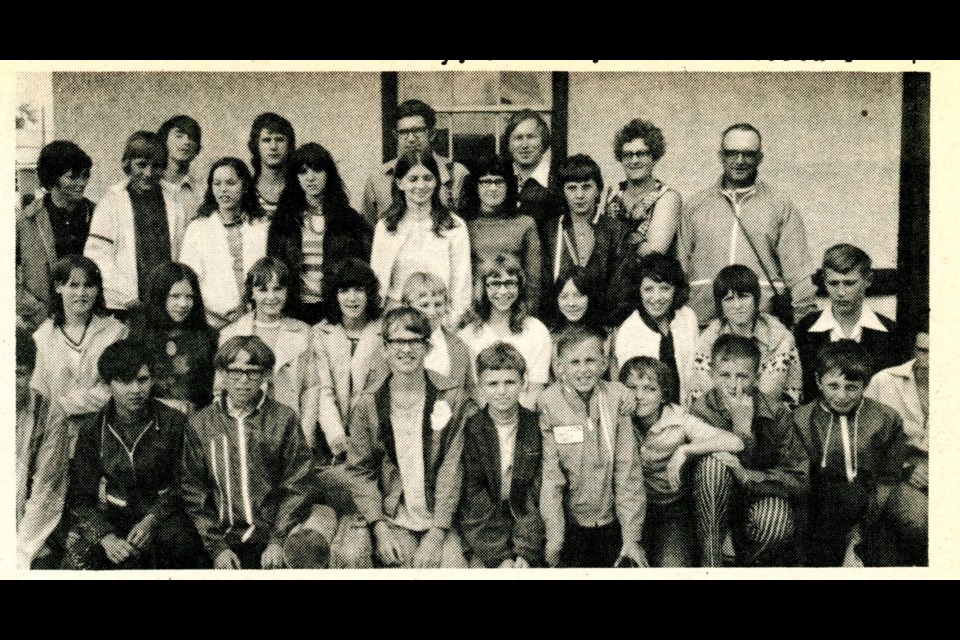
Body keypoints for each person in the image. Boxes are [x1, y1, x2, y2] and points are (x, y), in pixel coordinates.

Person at [337, 308, 470, 568]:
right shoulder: (369, 403)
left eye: (414, 341)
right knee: (404, 564)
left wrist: (437, 532)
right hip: (394, 516)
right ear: (385, 348)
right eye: (397, 342)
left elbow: (453, 467)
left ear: (427, 347)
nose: (406, 350)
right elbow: (360, 469)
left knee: (452, 567)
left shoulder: (451, 396)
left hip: (440, 517)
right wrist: (379, 527)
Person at [181, 335, 321, 569]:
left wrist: (277, 540)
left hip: (271, 538)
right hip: (221, 540)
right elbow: (193, 489)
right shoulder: (201, 423)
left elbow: (299, 483)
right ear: (222, 375)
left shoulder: (283, 419)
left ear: (266, 375)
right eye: (235, 372)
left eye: (253, 372)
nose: (243, 381)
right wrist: (217, 548)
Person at [64, 340, 207, 569]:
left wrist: (152, 520)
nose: (136, 390)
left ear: (152, 380)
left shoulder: (173, 422)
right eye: (124, 381)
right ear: (108, 384)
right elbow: (81, 498)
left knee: (181, 544)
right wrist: (106, 538)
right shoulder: (92, 429)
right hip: (114, 518)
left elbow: (186, 484)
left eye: (142, 380)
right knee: (78, 559)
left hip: (165, 515)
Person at [792, 340, 919, 567]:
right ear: (818, 381)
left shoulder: (886, 418)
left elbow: (888, 476)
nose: (841, 396)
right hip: (822, 507)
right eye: (833, 386)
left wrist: (861, 529)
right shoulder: (801, 419)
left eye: (851, 387)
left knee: (905, 536)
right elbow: (801, 479)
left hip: (874, 501)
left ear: (865, 384)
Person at [677, 123, 817, 327]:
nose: (740, 161)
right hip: (703, 322)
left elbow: (799, 273)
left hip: (763, 324)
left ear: (760, 158)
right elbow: (679, 267)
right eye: (732, 153)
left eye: (748, 154)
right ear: (721, 156)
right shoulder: (695, 205)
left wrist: (803, 326)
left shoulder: (780, 205)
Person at [690, 335, 809, 567]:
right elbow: (693, 475)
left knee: (776, 523)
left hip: (758, 495)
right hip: (712, 504)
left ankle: (744, 566)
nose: (733, 385)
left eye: (742, 376)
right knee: (713, 465)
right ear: (712, 375)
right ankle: (712, 565)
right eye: (725, 375)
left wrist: (746, 475)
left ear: (756, 377)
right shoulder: (701, 410)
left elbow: (799, 478)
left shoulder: (776, 413)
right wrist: (740, 432)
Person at [619, 356, 744, 567]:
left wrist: (686, 449)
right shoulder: (617, 416)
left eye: (650, 389)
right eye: (632, 388)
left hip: (670, 509)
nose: (639, 396)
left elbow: (735, 442)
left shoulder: (678, 419)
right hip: (627, 509)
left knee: (672, 567)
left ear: (663, 395)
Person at [540, 326, 647, 568]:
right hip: (571, 524)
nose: (583, 369)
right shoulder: (548, 403)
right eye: (574, 362)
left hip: (614, 522)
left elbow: (627, 471)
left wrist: (631, 536)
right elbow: (551, 477)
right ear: (560, 367)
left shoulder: (616, 399)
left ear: (604, 363)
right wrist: (555, 538)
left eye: (590, 361)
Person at [457, 343, 545, 568]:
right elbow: (473, 496)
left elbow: (536, 493)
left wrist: (525, 551)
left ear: (523, 383)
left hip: (528, 525)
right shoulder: (472, 429)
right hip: (483, 529)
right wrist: (501, 556)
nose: (501, 391)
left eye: (510, 382)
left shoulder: (535, 427)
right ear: (480, 387)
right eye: (493, 384)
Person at [84, 131, 189, 314]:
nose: (148, 173)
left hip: (167, 306)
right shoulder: (111, 204)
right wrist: (129, 298)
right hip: (124, 306)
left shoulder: (175, 205)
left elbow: (182, 256)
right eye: (141, 165)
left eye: (156, 166)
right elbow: (98, 257)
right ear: (128, 164)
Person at [31, 255, 129, 452]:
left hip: (105, 437)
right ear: (59, 287)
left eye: (89, 285)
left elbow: (118, 388)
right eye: (73, 285)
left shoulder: (115, 332)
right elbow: (38, 394)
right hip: (55, 440)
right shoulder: (43, 336)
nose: (82, 293)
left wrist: (68, 404)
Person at [268, 143, 373, 325]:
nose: (310, 178)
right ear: (295, 178)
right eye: (303, 172)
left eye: (317, 170)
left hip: (336, 312)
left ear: (328, 174)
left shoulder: (350, 219)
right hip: (294, 312)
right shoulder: (284, 221)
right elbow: (274, 267)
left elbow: (362, 268)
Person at [218, 258, 315, 450]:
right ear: (251, 293)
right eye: (262, 290)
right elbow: (220, 389)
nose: (271, 297)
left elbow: (310, 387)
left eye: (278, 289)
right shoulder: (231, 333)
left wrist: (305, 434)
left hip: (289, 431)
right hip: (245, 431)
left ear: (287, 291)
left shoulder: (303, 332)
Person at [370, 150, 472, 324]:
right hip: (397, 317)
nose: (421, 185)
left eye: (428, 178)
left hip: (439, 317)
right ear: (400, 183)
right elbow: (378, 281)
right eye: (413, 179)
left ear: (436, 181)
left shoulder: (454, 227)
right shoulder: (386, 227)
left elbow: (461, 284)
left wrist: (453, 323)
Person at [795, 244, 904, 401]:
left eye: (849, 283)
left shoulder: (891, 333)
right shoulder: (806, 329)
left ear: (868, 280)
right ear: (824, 282)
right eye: (833, 283)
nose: (841, 292)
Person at [690, 265, 803, 407]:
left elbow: (774, 393)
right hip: (717, 421)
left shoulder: (779, 338)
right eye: (729, 299)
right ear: (720, 305)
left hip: (770, 419)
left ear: (756, 299)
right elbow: (706, 393)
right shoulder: (708, 341)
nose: (737, 306)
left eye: (744, 297)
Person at [864, 326, 928, 566]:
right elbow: (863, 440)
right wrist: (906, 467)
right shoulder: (884, 381)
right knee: (923, 522)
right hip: (898, 473)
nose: (930, 361)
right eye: (923, 351)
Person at [311, 257, 387, 461]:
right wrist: (336, 436)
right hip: (334, 441)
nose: (352, 298)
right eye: (344, 291)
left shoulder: (385, 330)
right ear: (333, 295)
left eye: (359, 290)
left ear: (369, 293)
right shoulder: (320, 333)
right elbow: (323, 390)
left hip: (377, 437)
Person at [179, 157, 268, 329]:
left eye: (230, 183)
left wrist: (248, 309)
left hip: (255, 319)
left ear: (244, 187)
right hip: (210, 322)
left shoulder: (261, 227)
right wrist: (213, 312)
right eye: (217, 184)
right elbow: (188, 279)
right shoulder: (197, 229)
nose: (223, 190)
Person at [17, 140, 95, 332]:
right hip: (44, 323)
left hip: (92, 321)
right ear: (53, 178)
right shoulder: (26, 220)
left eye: (85, 176)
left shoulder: (98, 214)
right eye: (73, 177)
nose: (82, 183)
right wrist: (32, 308)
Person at [459, 253, 551, 410]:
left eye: (509, 283)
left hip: (524, 417)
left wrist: (516, 424)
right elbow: (473, 390)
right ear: (483, 287)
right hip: (483, 419)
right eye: (495, 284)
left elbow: (536, 389)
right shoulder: (467, 335)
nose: (502, 291)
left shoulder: (536, 331)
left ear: (519, 287)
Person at [542, 154, 626, 324]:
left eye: (586, 187)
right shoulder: (551, 230)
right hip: (559, 324)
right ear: (563, 192)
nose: (579, 195)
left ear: (598, 190)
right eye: (572, 188)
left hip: (603, 324)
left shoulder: (615, 230)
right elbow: (545, 284)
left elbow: (620, 286)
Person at [610, 253, 698, 407]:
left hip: (685, 411)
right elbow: (630, 389)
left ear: (675, 289)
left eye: (664, 288)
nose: (656, 298)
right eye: (649, 289)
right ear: (639, 290)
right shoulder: (629, 330)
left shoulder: (688, 317)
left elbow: (693, 370)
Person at [362, 99, 469, 225]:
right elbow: (368, 232)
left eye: (418, 131)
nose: (411, 139)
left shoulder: (456, 173)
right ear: (396, 135)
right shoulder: (377, 179)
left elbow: (468, 228)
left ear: (431, 133)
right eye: (404, 132)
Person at [128, 262, 217, 413]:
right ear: (159, 296)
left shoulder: (208, 337)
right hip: (149, 421)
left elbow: (211, 394)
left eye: (189, 297)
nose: (183, 304)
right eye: (175, 296)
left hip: (195, 423)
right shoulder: (139, 335)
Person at [460, 154, 543, 313]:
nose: (493, 188)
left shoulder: (525, 223)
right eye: (485, 182)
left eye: (499, 181)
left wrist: (527, 316)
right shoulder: (462, 224)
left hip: (514, 309)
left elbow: (534, 281)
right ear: (475, 186)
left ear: (508, 185)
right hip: (474, 309)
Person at [16, 327, 69, 569]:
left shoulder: (49, 414)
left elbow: (46, 488)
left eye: (18, 373)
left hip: (29, 524)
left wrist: (20, 551)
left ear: (31, 373)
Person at [596, 119, 681, 257]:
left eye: (641, 154)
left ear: (654, 157)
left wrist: (610, 239)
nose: (634, 161)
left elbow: (653, 253)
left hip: (650, 277)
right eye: (628, 155)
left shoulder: (668, 197)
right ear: (621, 158)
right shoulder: (611, 195)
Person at [401, 272, 473, 393]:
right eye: (424, 305)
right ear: (407, 306)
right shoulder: (392, 343)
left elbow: (469, 392)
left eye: (438, 304)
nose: (432, 311)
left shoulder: (459, 347)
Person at [501, 109, 563, 237]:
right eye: (518, 138)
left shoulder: (559, 181)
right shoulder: (500, 181)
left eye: (531, 137)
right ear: (509, 144)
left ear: (543, 141)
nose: (524, 145)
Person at [249, 112, 295, 218]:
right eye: (266, 140)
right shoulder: (245, 191)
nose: (273, 146)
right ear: (256, 146)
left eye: (280, 140)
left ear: (289, 146)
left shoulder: (301, 189)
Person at [158, 115, 203, 220]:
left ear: (198, 149)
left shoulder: (202, 191)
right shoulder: (149, 185)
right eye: (179, 136)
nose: (186, 142)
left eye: (192, 138)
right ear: (164, 141)